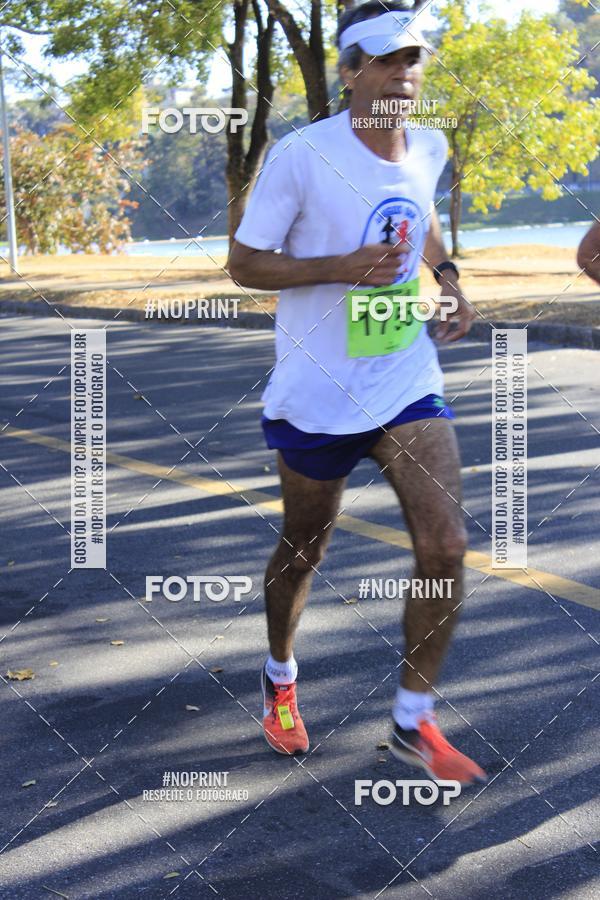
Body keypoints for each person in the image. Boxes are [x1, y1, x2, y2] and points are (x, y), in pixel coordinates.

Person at [228, 0, 485, 785]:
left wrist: (445, 280)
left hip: (405, 378)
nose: (405, 74)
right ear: (349, 73)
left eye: (414, 59)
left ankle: (413, 722)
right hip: (317, 388)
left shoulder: (429, 144)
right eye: (386, 59)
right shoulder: (302, 156)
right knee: (305, 546)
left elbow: (423, 219)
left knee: (444, 544)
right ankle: (279, 677)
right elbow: (243, 263)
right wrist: (334, 267)